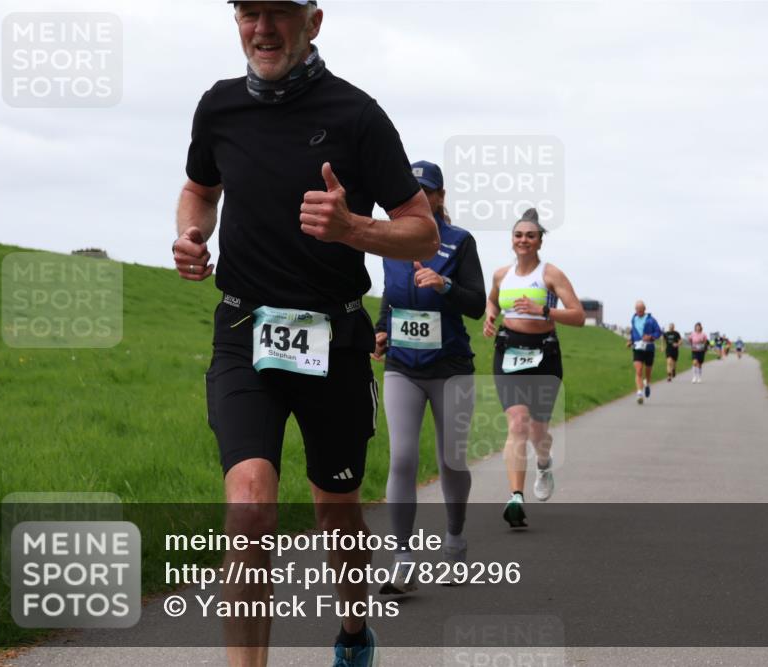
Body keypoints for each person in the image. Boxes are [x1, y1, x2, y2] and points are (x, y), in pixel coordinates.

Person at [173, 2, 438, 665]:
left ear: (313, 22)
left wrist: (354, 230)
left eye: (279, 13)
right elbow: (200, 189)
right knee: (249, 507)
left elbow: (422, 231)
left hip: (334, 338)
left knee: (337, 515)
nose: (263, 28)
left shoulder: (357, 115)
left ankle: (353, 631)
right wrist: (193, 232)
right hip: (244, 330)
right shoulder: (219, 106)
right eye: (249, 12)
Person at [372, 161, 486, 593]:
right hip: (403, 366)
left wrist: (445, 286)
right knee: (402, 458)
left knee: (450, 461)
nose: (419, 195)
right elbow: (391, 295)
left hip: (450, 367)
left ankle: (455, 542)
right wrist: (381, 330)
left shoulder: (459, 241)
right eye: (413, 188)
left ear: (439, 197)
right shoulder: (392, 240)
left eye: (427, 189)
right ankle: (403, 561)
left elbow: (477, 304)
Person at [483, 208, 584, 528]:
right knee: (518, 423)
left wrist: (543, 310)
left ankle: (543, 462)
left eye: (530, 235)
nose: (523, 240)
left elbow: (578, 316)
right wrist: (490, 314)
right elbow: (493, 300)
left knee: (538, 432)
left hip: (544, 354)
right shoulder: (501, 274)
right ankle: (516, 496)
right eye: (518, 235)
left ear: (540, 241)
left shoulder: (551, 274)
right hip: (508, 351)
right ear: (511, 239)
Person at [626, 300, 662, 404]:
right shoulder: (634, 319)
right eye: (637, 309)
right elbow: (633, 332)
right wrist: (631, 341)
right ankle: (639, 393)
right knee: (638, 370)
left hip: (649, 348)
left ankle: (647, 383)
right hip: (637, 347)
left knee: (648, 371)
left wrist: (650, 336)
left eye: (640, 309)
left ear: (644, 309)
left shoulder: (651, 320)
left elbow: (658, 332)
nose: (638, 311)